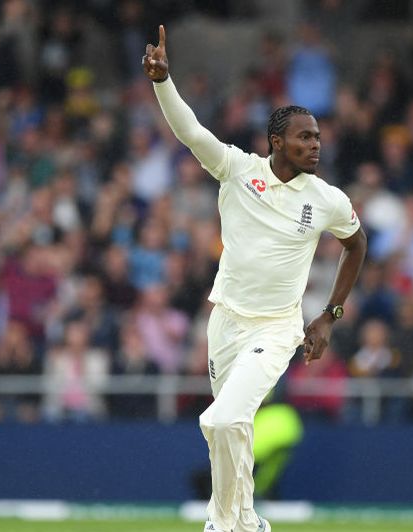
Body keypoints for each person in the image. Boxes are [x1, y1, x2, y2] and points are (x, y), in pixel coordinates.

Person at [143, 25, 367, 532]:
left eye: (317, 137)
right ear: (277, 142)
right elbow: (192, 132)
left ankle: (221, 524)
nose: (315, 145)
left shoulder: (327, 199)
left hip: (276, 328)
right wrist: (164, 83)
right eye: (304, 136)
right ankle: (245, 519)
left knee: (221, 419)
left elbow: (356, 245)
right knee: (230, 430)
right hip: (225, 321)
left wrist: (329, 316)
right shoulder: (239, 171)